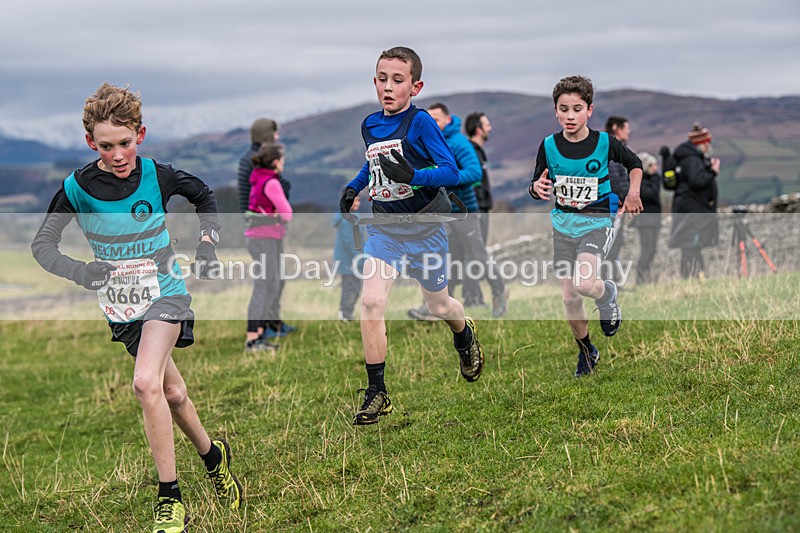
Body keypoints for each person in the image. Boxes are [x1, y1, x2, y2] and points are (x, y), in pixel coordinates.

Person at [30, 83, 242, 533]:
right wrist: (80, 272)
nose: (118, 154)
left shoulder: (157, 175)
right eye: (106, 146)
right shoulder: (77, 188)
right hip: (121, 305)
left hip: (165, 290)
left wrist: (207, 245)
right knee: (173, 394)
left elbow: (205, 196)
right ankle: (214, 456)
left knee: (145, 384)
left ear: (140, 135)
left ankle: (169, 498)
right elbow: (42, 245)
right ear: (91, 143)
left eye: (125, 143)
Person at [339, 46, 484, 425]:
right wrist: (354, 187)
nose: (388, 87)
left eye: (398, 81)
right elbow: (373, 163)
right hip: (385, 228)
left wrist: (414, 177)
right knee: (371, 302)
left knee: (439, 306)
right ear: (374, 82)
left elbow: (451, 171)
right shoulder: (369, 124)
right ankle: (377, 392)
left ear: (415, 86)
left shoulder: (420, 123)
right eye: (382, 79)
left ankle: (464, 333)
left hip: (426, 229)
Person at [529, 75, 643, 377]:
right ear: (555, 111)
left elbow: (636, 165)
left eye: (576, 109)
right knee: (569, 297)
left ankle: (606, 294)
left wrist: (633, 193)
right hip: (563, 225)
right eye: (563, 109)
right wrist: (536, 189)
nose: (570, 116)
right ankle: (587, 352)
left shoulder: (605, 143)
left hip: (597, 221)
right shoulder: (549, 145)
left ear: (589, 110)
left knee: (583, 283)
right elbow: (537, 180)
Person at [408, 103, 508, 317]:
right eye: (430, 120)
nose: (433, 124)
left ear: (447, 120)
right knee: (446, 260)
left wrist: (442, 178)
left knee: (478, 256)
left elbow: (474, 173)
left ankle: (500, 291)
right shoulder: (431, 142)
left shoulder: (459, 142)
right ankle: (436, 305)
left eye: (437, 120)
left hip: (464, 211)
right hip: (443, 212)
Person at [237, 117, 295, 338]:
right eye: (275, 133)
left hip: (261, 226)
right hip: (264, 228)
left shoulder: (252, 159)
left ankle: (271, 323)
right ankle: (265, 326)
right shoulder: (258, 159)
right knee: (269, 280)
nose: (278, 137)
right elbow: (275, 194)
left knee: (274, 278)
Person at [668, 123, 720, 279]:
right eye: (707, 142)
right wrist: (712, 171)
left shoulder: (689, 157)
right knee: (692, 244)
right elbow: (697, 181)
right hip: (693, 209)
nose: (709, 146)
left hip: (688, 207)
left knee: (690, 244)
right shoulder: (692, 159)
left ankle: (692, 276)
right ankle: (694, 276)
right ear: (702, 143)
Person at [604, 115, 632, 284]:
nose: (628, 132)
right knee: (609, 245)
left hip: (617, 206)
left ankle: (613, 282)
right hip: (612, 207)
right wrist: (621, 203)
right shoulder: (611, 149)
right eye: (626, 128)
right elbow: (614, 179)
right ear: (616, 128)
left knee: (616, 244)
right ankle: (606, 283)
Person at [332, 194, 365, 321]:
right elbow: (349, 241)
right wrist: (359, 257)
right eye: (354, 200)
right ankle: (345, 315)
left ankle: (346, 314)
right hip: (350, 260)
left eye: (358, 200)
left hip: (350, 258)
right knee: (351, 287)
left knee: (352, 286)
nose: (357, 203)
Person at [632, 151, 662, 283]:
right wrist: (654, 179)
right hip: (644, 220)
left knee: (652, 249)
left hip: (653, 219)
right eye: (651, 166)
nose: (655, 169)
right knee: (647, 249)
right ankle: (641, 278)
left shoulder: (651, 179)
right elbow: (651, 194)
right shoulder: (640, 182)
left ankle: (645, 277)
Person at [465, 111, 495, 244]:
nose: (490, 128)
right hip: (476, 209)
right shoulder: (470, 153)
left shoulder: (478, 151)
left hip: (482, 208)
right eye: (487, 125)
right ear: (478, 130)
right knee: (476, 251)